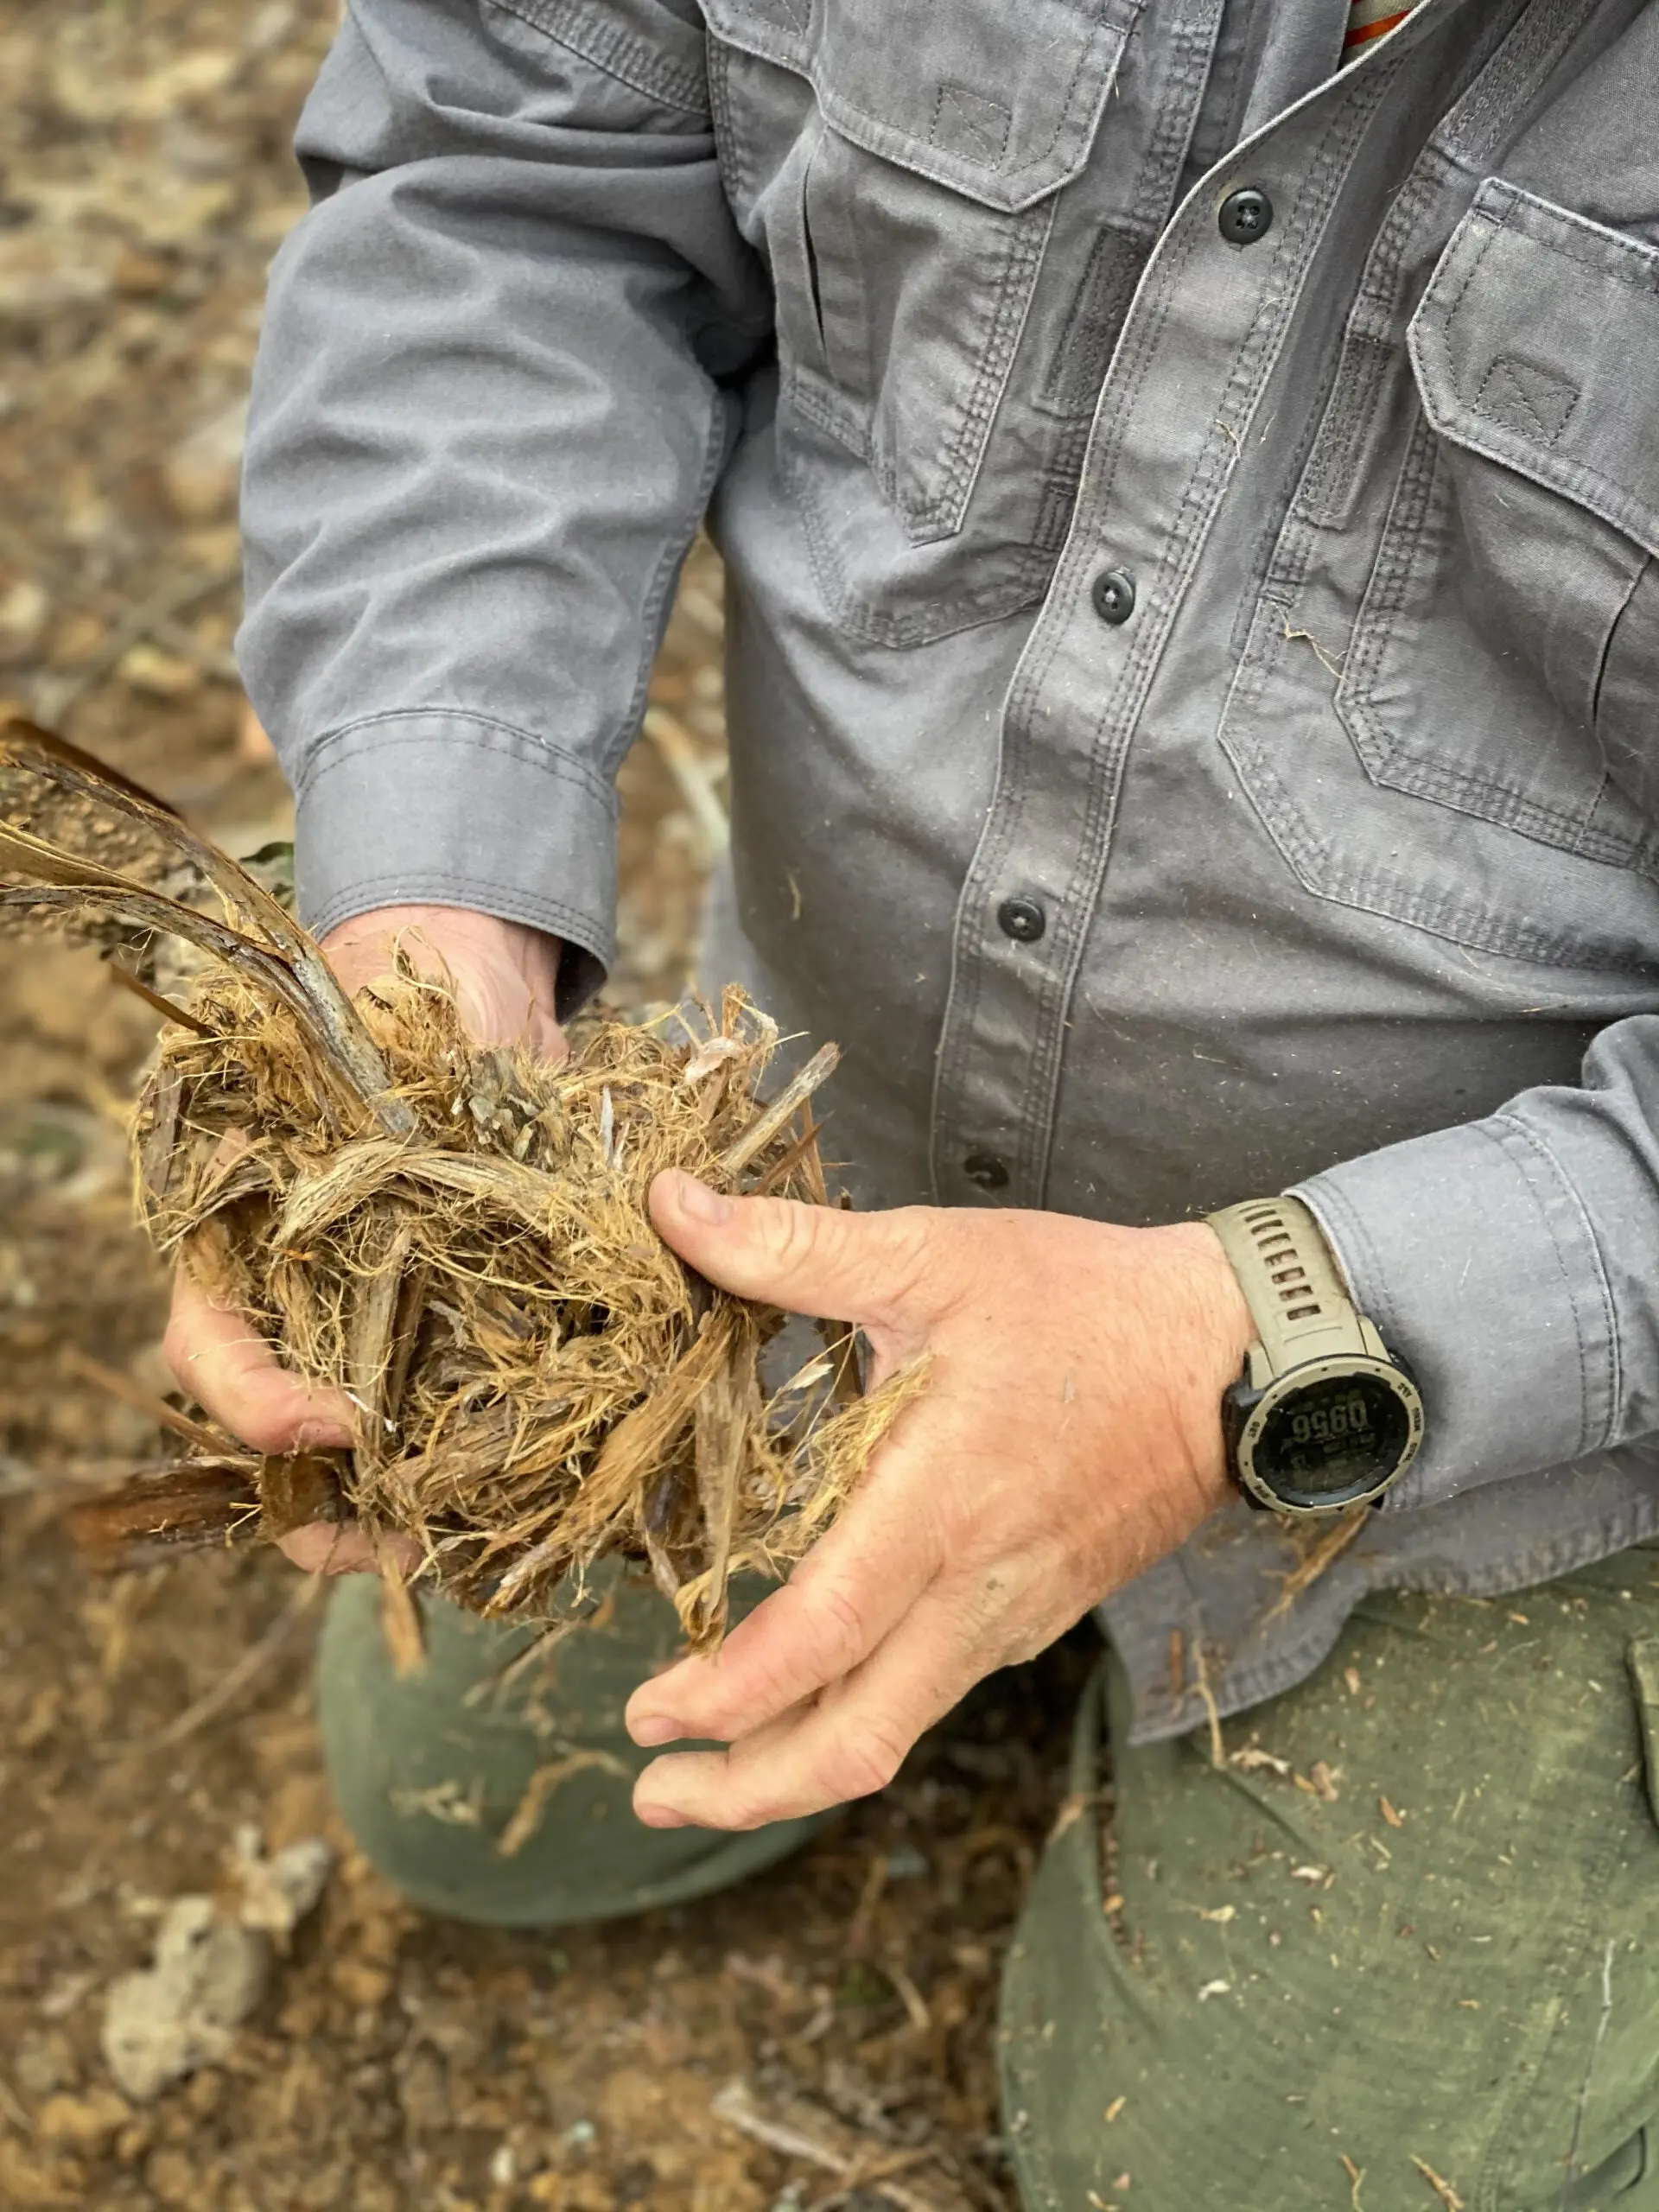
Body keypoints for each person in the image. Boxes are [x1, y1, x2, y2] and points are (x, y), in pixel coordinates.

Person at [166, 0, 1659, 2201]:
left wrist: (1236, 1347)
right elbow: (505, 186)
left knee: (1246, 2173)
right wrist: (432, 923)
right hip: (818, 1147)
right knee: (456, 1794)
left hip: (1507, 1366)